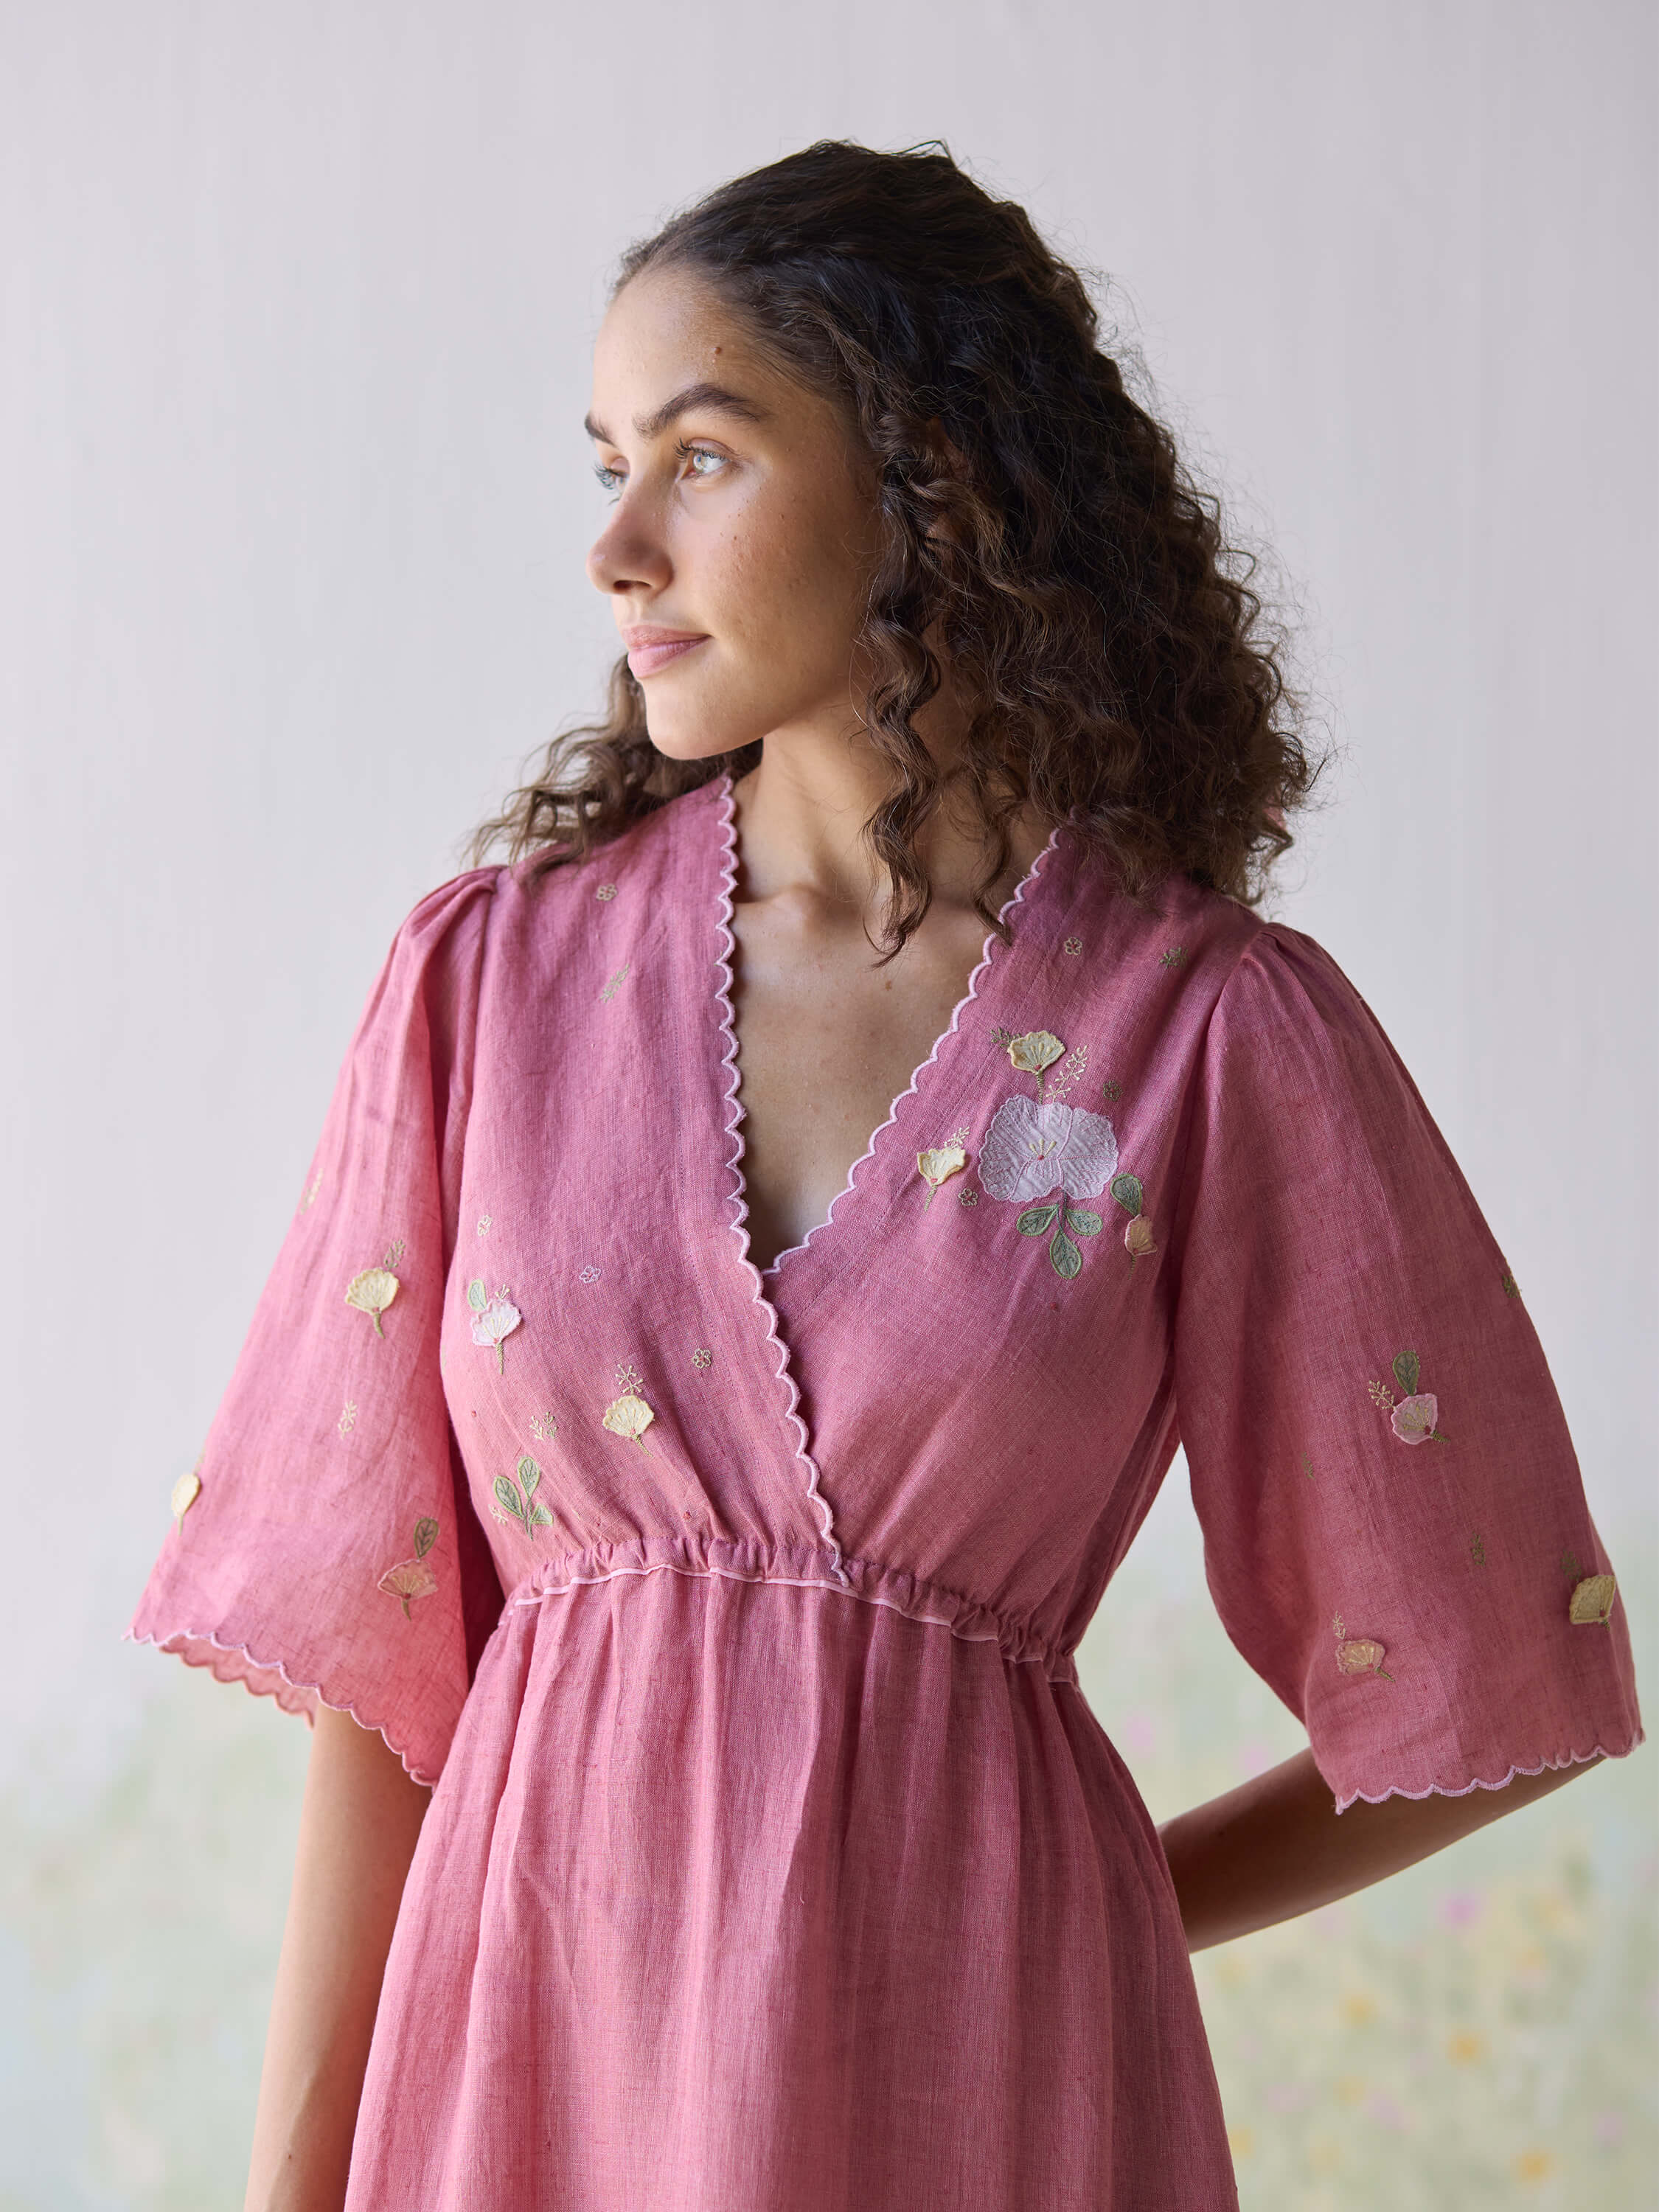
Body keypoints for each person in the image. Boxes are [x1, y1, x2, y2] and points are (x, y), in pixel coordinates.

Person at [127, 139, 1642, 2212]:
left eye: (701, 458)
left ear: (929, 476)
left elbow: (1497, 1678)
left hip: (989, 2092)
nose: (618, 549)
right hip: (527, 2083)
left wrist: (1092, 1913)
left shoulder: (1203, 1033)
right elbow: (388, 1708)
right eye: (609, 468)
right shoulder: (487, 989)